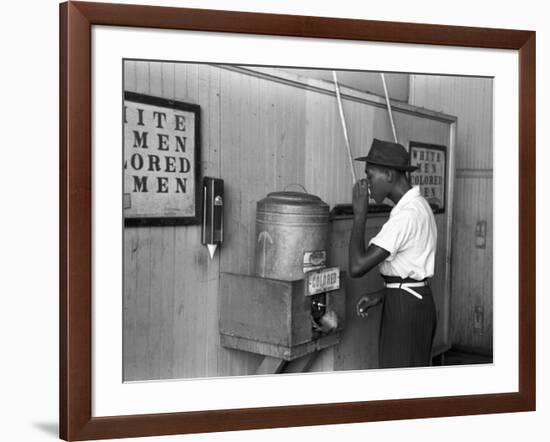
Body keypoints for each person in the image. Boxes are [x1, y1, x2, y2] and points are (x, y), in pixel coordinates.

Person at [349, 138, 437, 368]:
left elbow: (357, 266)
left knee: (400, 385)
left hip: (406, 310)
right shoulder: (418, 206)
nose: (367, 185)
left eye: (370, 176)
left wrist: (359, 215)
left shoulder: (407, 215)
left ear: (389, 174)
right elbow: (410, 270)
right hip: (410, 300)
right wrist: (383, 294)